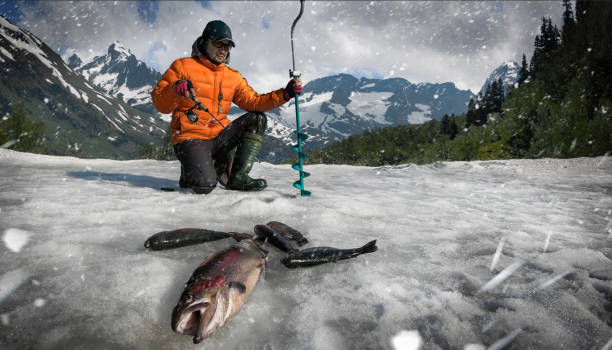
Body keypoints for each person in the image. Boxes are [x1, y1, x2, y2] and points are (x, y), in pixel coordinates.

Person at [151, 20, 302, 194]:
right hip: (190, 137)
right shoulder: (182, 66)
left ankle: (238, 178)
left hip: (220, 137)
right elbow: (160, 103)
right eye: (218, 43)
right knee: (204, 186)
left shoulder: (233, 76)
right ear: (205, 41)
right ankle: (192, 172)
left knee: (257, 118)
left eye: (228, 45)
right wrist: (174, 89)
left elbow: (254, 102)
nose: (223, 49)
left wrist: (285, 94)